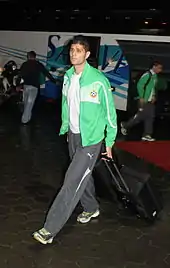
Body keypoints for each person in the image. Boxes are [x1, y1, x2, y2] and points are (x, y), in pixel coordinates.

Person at [33, 35, 117, 245]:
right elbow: (66, 106)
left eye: (78, 50)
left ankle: (49, 229)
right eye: (72, 50)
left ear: (87, 55)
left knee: (71, 181)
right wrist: (66, 127)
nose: (73, 53)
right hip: (73, 135)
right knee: (83, 176)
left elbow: (110, 114)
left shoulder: (98, 80)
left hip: (91, 140)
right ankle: (91, 208)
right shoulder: (68, 77)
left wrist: (109, 142)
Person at [121, 61, 163, 141]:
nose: (160, 70)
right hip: (144, 100)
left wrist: (153, 96)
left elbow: (152, 88)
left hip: (150, 101)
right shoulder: (147, 75)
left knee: (150, 117)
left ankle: (147, 134)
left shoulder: (155, 77)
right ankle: (125, 125)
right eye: (159, 68)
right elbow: (140, 85)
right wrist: (141, 97)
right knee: (140, 116)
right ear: (154, 67)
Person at [19, 51, 56, 124]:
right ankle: (25, 120)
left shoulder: (24, 64)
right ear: (35, 57)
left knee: (26, 102)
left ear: (28, 56)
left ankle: (27, 118)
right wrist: (54, 81)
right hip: (34, 86)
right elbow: (46, 73)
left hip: (26, 86)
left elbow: (21, 74)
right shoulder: (38, 64)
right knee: (30, 103)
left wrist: (19, 84)